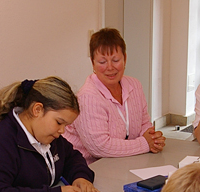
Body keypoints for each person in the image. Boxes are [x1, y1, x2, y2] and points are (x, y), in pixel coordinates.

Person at [63, 28, 165, 164]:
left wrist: (153, 139)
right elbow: (100, 148)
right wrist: (144, 144)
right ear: (93, 63)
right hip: (88, 168)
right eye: (102, 62)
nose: (110, 67)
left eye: (116, 60)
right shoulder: (87, 97)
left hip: (123, 161)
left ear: (125, 59)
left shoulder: (135, 85)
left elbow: (144, 123)